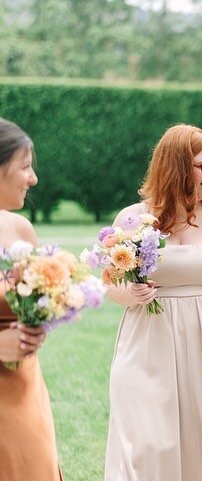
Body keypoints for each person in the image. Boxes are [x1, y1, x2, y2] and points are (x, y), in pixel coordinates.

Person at [104, 124, 202, 481]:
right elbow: (110, 284)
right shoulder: (132, 220)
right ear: (176, 168)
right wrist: (130, 294)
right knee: (147, 444)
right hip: (148, 345)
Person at [0, 117, 62, 481]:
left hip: (24, 389)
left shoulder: (21, 229)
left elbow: (41, 304)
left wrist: (38, 329)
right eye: (24, 166)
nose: (33, 178)